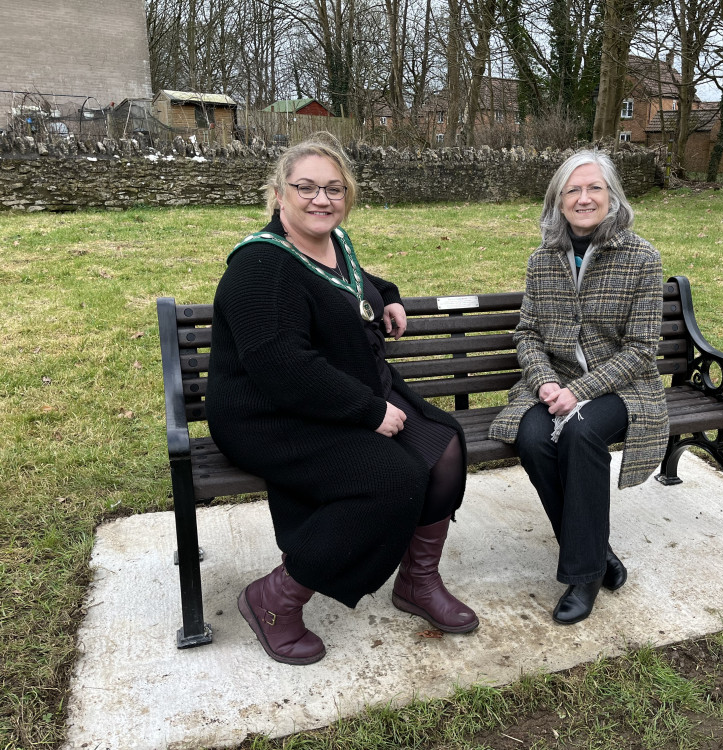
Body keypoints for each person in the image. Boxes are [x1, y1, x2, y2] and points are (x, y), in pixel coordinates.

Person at [206, 135, 478, 666]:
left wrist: (390, 296)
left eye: (334, 188)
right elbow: (281, 366)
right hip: (270, 414)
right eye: (305, 187)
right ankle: (276, 598)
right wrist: (369, 412)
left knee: (444, 448)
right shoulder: (260, 266)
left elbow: (354, 282)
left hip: (341, 389)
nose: (321, 199)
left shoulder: (334, 241)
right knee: (389, 479)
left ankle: (417, 582)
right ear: (279, 194)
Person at [488, 149, 669, 625]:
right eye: (573, 190)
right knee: (530, 437)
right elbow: (527, 333)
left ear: (612, 197)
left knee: (579, 432)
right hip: (552, 384)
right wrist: (547, 381)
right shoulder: (543, 258)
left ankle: (584, 574)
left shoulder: (641, 258)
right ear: (558, 201)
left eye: (595, 188)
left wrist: (582, 391)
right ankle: (598, 551)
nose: (584, 198)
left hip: (623, 387)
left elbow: (641, 348)